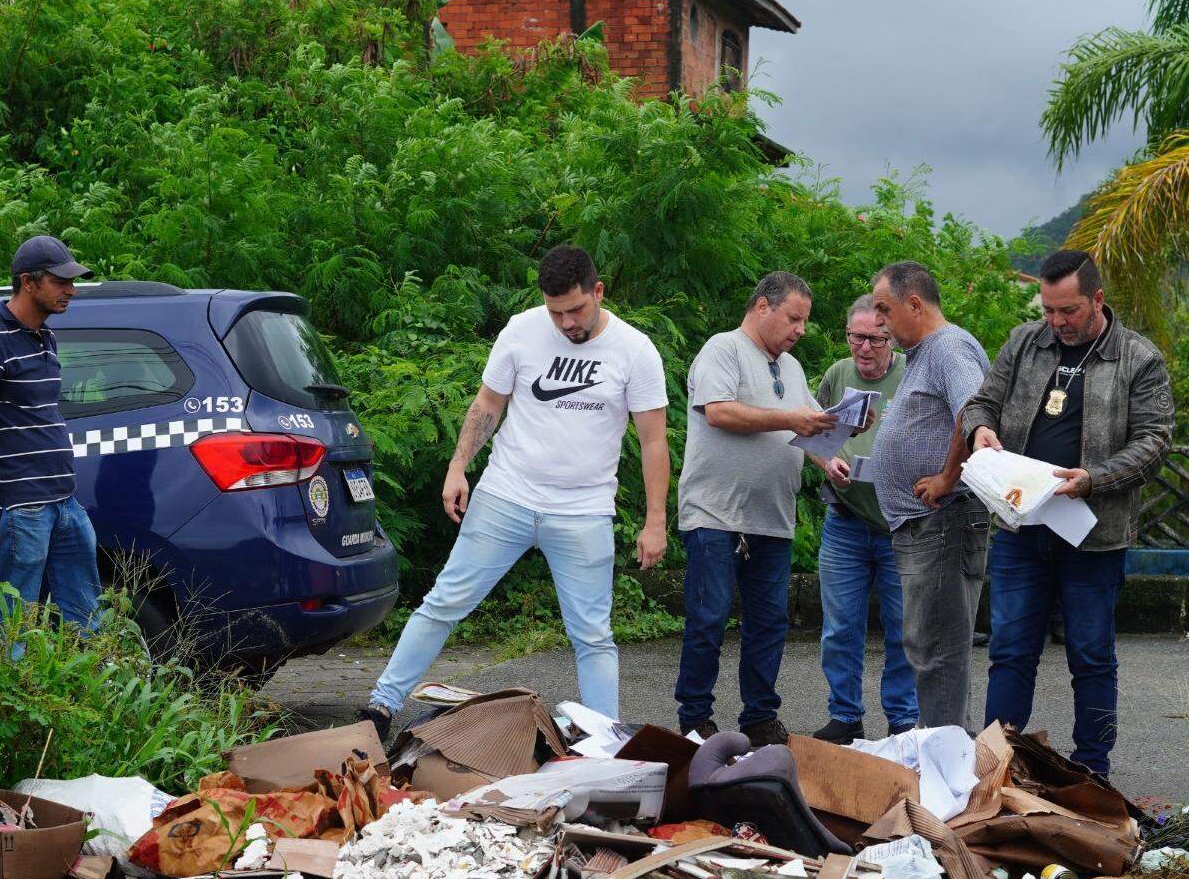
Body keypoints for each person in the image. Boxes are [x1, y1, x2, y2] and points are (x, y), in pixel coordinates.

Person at [359, 245, 669, 741]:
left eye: (576, 310)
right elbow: (488, 403)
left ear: (598, 291)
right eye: (556, 312)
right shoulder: (521, 331)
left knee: (593, 635)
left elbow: (654, 441)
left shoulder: (636, 351)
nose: (567, 323)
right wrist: (458, 466)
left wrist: (656, 522)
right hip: (506, 494)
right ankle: (381, 705)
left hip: (584, 510)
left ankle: (603, 739)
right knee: (444, 601)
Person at [961, 249, 1174, 777]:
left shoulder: (1137, 358)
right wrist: (979, 430)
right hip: (1020, 522)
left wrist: (1095, 479)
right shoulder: (1024, 341)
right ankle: (998, 762)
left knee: (1091, 655)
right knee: (1010, 649)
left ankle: (1092, 768)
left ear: (1097, 300)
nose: (1056, 322)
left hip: (1093, 533)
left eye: (1068, 311)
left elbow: (1155, 439)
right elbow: (982, 401)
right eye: (1049, 310)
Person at [675, 272, 838, 745]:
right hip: (715, 513)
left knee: (768, 623)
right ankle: (694, 717)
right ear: (763, 307)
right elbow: (720, 410)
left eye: (804, 321)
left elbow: (810, 429)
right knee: (709, 617)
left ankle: (760, 717)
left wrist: (830, 458)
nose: (800, 329)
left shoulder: (791, 367)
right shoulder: (722, 349)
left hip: (772, 517)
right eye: (794, 318)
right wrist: (792, 419)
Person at [0, 234, 102, 634]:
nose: (71, 290)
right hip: (21, 509)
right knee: (9, 627)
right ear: (28, 282)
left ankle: (90, 696)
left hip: (64, 502)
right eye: (60, 281)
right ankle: (6, 695)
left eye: (72, 281)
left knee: (88, 619)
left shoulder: (44, 336)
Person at [864, 260, 990, 731]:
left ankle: (946, 766)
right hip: (925, 526)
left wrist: (947, 477)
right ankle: (947, 750)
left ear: (914, 303)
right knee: (931, 648)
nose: (879, 321)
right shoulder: (925, 354)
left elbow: (973, 408)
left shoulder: (948, 348)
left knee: (937, 651)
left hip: (943, 520)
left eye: (884, 309)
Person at [807, 296, 919, 743]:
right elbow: (813, 435)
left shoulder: (913, 373)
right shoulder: (836, 375)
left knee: (903, 629)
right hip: (846, 518)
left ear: (890, 336)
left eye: (875, 338)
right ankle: (845, 715)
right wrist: (826, 462)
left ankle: (903, 720)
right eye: (857, 337)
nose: (865, 347)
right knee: (839, 628)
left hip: (900, 522)